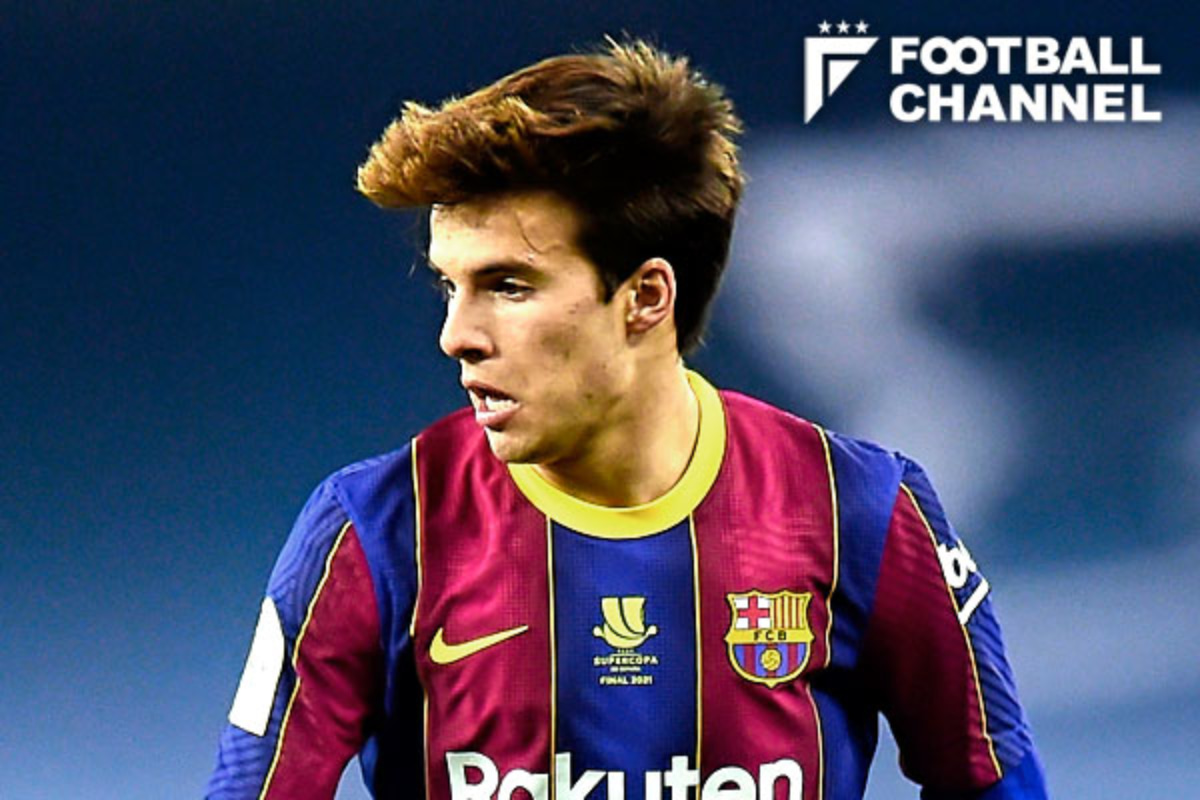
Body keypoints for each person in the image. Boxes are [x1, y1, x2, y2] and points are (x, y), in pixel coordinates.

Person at [206, 40, 1048, 800]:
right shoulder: (375, 530)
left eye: (508, 286)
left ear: (645, 297)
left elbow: (997, 784)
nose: (455, 335)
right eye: (449, 285)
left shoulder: (861, 511)